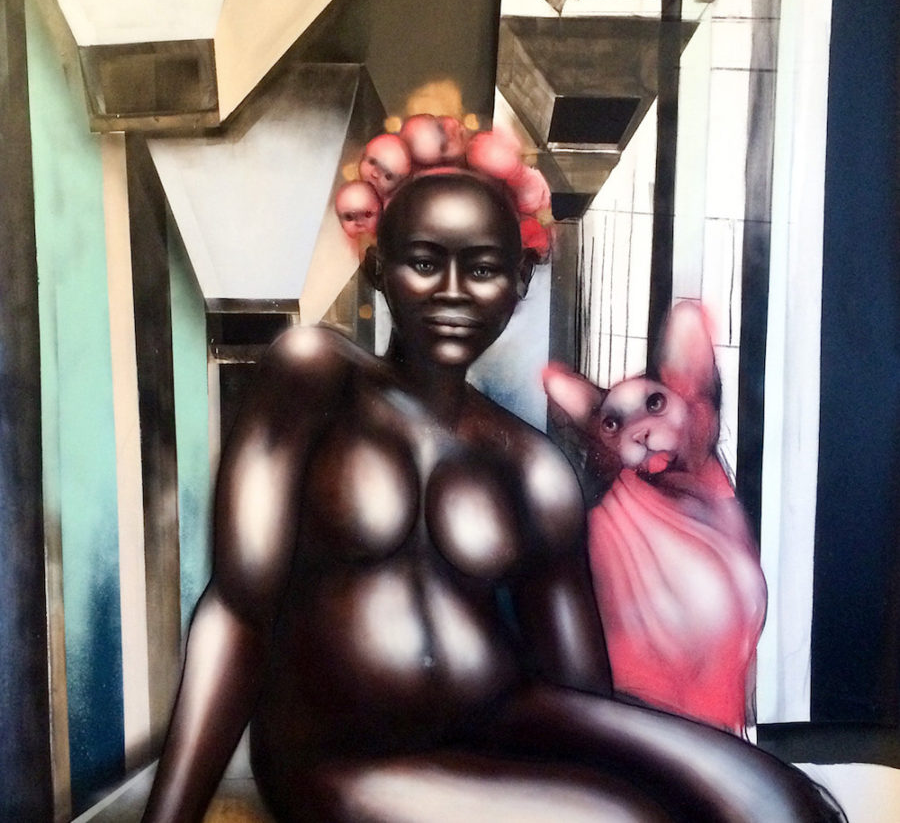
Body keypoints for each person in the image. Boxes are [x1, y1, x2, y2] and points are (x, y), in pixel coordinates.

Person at [142, 170, 842, 822]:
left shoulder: (531, 467)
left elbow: (581, 696)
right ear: (380, 270)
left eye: (480, 270)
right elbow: (238, 610)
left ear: (517, 283)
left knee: (780, 803)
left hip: (503, 717)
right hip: (339, 755)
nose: (452, 292)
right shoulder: (316, 377)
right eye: (425, 262)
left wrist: (687, 770)